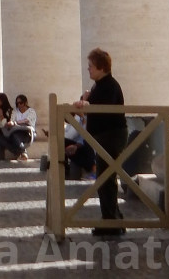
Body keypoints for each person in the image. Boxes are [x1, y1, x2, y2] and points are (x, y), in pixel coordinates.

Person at [74, 47, 126, 237]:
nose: (88, 69)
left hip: (111, 136)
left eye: (91, 66)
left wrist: (87, 103)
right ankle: (114, 220)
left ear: (101, 67)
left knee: (106, 179)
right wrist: (85, 101)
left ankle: (111, 222)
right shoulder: (99, 85)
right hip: (103, 136)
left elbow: (104, 108)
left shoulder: (110, 85)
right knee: (105, 178)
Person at [0, 93, 37, 160]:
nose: (19, 105)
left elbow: (26, 121)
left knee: (15, 136)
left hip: (28, 132)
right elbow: (12, 120)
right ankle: (20, 152)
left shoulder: (31, 111)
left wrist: (15, 123)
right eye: (17, 103)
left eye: (21, 103)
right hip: (16, 130)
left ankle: (22, 152)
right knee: (0, 138)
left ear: (25, 103)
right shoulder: (15, 111)